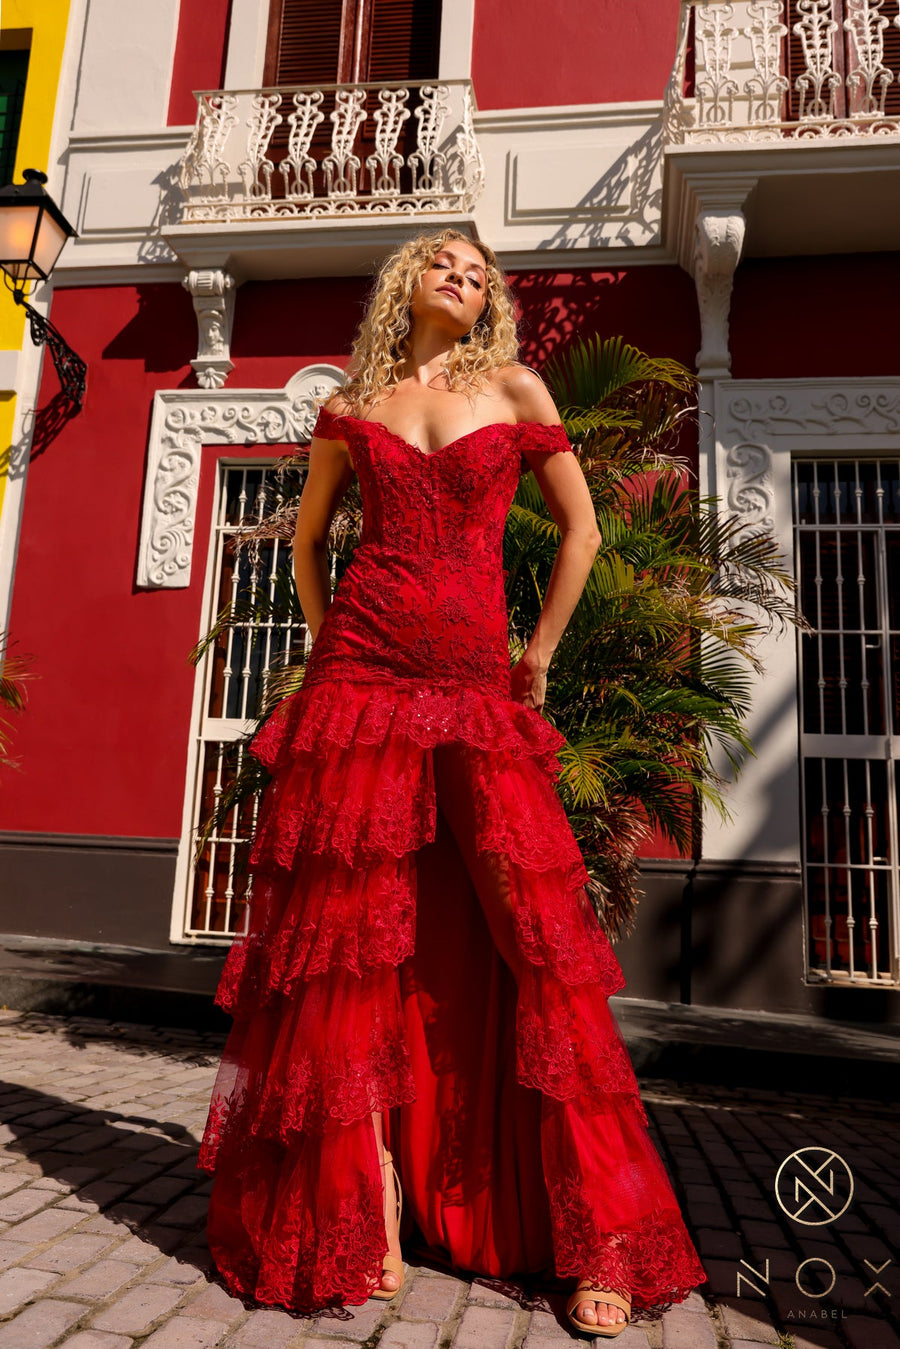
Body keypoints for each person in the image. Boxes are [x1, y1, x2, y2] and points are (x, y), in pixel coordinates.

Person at [198, 228, 707, 1338]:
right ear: (406, 282)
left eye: (480, 274)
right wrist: (336, 652)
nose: (463, 279)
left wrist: (543, 653)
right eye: (444, 263)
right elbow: (308, 543)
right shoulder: (351, 403)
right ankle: (365, 1198)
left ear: (489, 304)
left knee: (529, 935)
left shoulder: (517, 388)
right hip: (364, 677)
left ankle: (597, 1234)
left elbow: (582, 529)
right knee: (350, 939)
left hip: (478, 674)